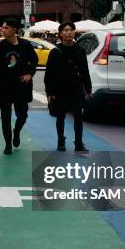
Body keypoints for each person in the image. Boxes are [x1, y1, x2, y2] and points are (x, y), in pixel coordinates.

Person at [0, 18, 38, 155]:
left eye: (6, 28)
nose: (3, 30)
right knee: (6, 118)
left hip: (21, 86)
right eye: (3, 27)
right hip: (4, 87)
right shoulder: (0, 47)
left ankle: (17, 131)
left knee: (23, 115)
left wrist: (29, 74)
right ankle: (8, 144)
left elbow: (34, 61)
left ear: (15, 29)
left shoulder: (25, 45)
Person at [44, 22, 92, 152]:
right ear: (60, 34)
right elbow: (49, 74)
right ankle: (61, 141)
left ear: (74, 33)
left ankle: (78, 143)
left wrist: (88, 89)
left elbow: (84, 71)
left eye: (71, 30)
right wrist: (49, 92)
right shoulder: (55, 52)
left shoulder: (80, 51)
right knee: (60, 117)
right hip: (60, 90)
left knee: (78, 117)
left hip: (76, 89)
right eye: (66, 30)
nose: (69, 32)